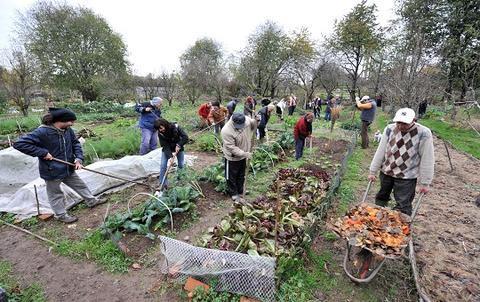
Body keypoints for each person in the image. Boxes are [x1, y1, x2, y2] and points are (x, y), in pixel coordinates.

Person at [13, 108, 104, 223]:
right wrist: (43, 153)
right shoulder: (42, 132)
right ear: (62, 120)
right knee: (55, 194)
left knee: (80, 185)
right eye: (71, 121)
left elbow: (75, 143)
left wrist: (78, 159)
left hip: (68, 167)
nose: (72, 123)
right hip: (52, 170)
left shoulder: (68, 130)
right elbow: (19, 144)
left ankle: (91, 201)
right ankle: (61, 215)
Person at [368, 107, 434, 216]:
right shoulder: (389, 129)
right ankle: (378, 218)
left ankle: (400, 227)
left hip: (407, 176)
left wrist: (425, 182)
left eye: (404, 124)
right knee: (381, 196)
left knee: (403, 204)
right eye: (398, 123)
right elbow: (381, 150)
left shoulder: (424, 133)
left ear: (414, 120)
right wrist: (372, 171)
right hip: (387, 171)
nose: (401, 126)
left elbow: (427, 158)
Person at [221, 112, 256, 201]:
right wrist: (245, 154)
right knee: (231, 176)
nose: (241, 127)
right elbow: (231, 148)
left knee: (241, 174)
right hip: (232, 157)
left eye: (242, 125)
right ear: (233, 121)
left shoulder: (246, 120)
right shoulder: (226, 131)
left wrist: (256, 121)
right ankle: (234, 193)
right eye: (239, 125)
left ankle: (241, 190)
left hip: (244, 154)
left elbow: (252, 123)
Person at [154, 118, 189, 190]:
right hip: (167, 148)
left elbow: (185, 137)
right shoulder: (160, 133)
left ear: (164, 124)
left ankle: (180, 180)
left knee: (181, 164)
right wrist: (170, 156)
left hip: (178, 147)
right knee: (163, 165)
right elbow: (165, 145)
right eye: (158, 129)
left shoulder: (175, 127)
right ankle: (162, 183)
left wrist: (179, 144)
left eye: (161, 128)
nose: (160, 130)